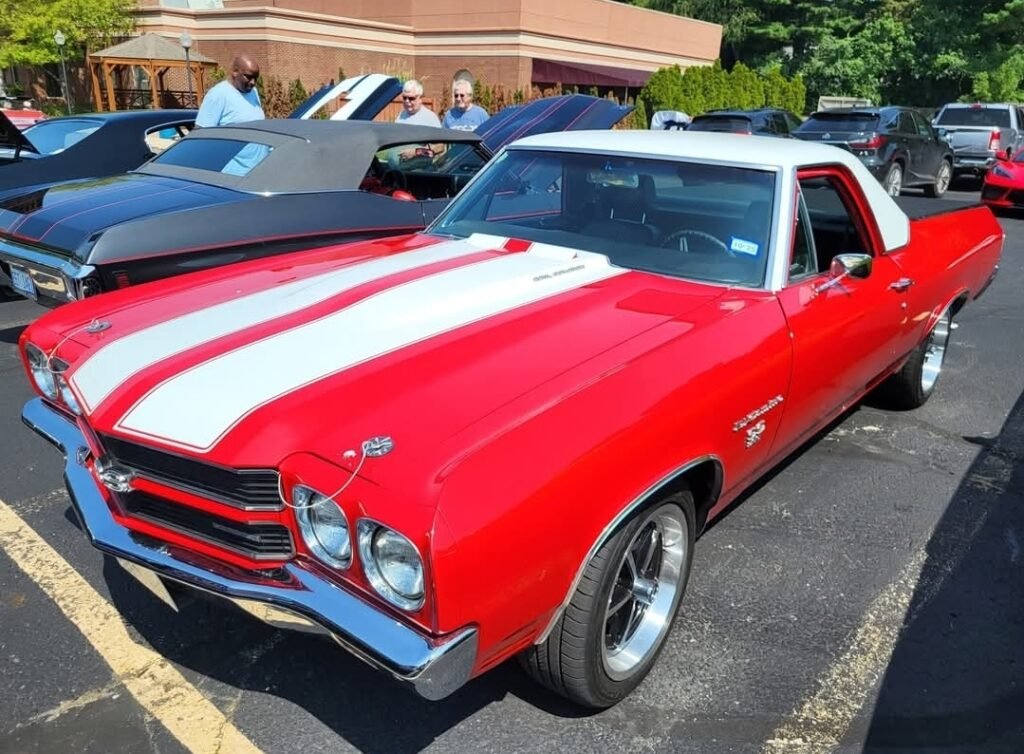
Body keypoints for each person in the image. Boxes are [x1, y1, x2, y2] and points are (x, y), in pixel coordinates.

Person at [195, 55, 265, 128]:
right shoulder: (218, 93)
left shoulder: (253, 91)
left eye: (255, 78)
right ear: (235, 72)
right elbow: (201, 130)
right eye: (248, 77)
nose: (253, 82)